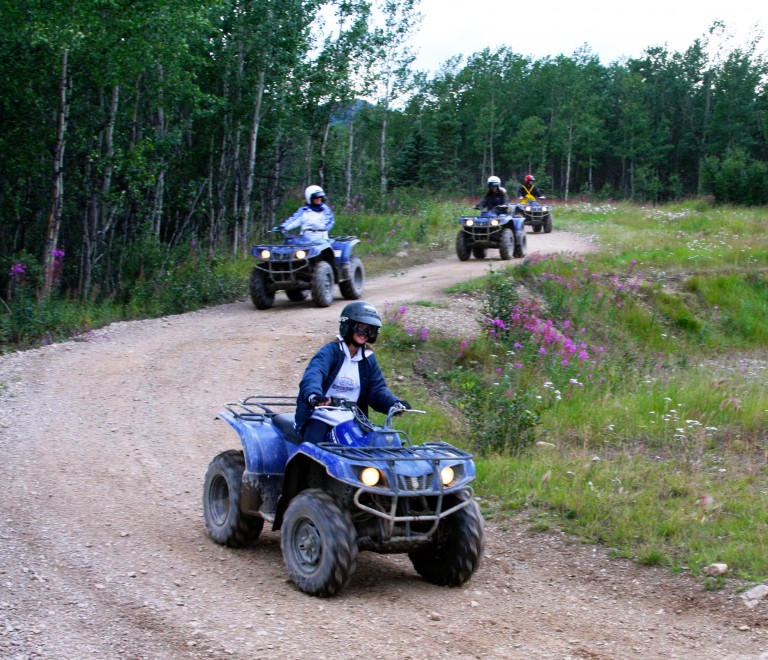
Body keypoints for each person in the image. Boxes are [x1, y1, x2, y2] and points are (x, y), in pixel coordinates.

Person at [294, 301, 411, 443]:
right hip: (321, 417)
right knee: (313, 450)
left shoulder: (368, 358)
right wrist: (314, 395)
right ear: (348, 325)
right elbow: (314, 374)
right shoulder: (331, 351)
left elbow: (377, 390)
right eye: (361, 327)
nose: (365, 334)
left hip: (352, 421)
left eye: (370, 329)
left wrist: (394, 403)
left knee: (380, 447)